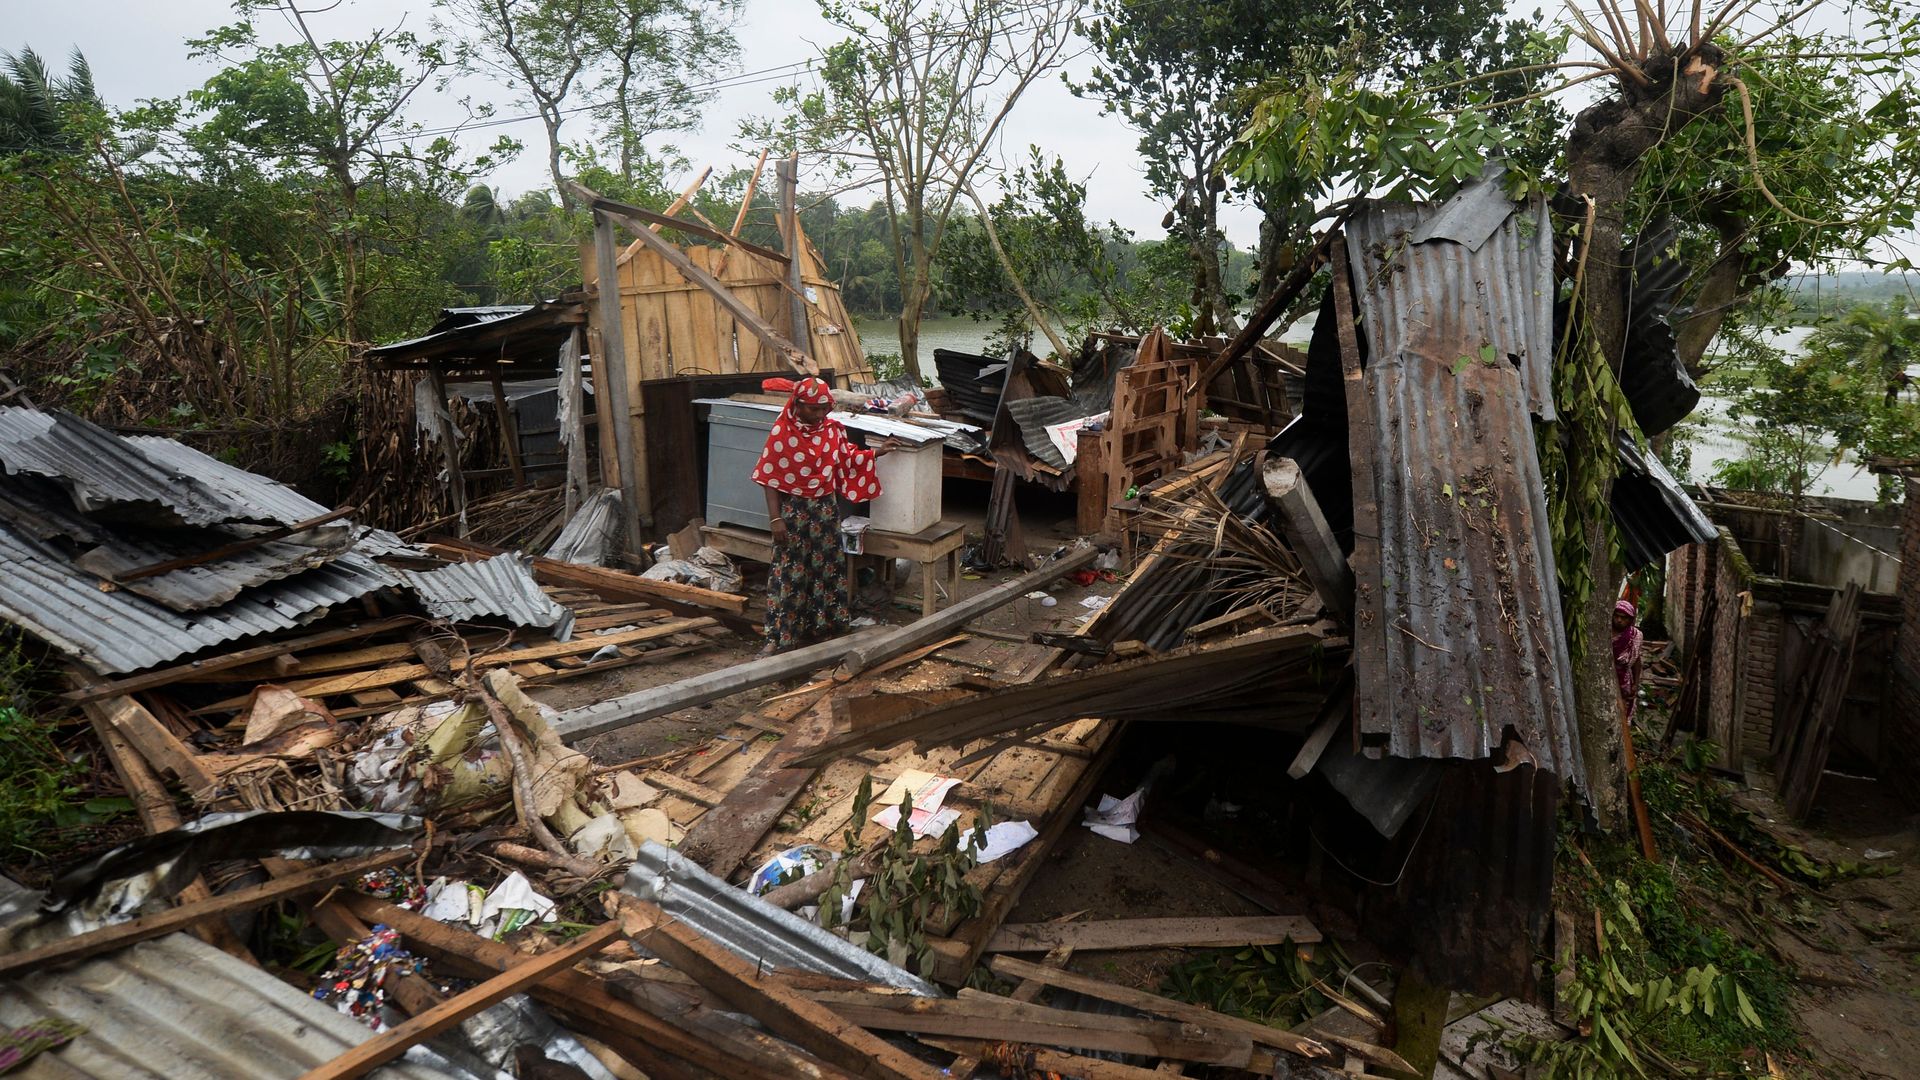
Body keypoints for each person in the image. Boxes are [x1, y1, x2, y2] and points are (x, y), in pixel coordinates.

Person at [751, 377, 897, 655]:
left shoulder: (832, 430)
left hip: (825, 511)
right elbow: (769, 477)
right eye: (813, 409)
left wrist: (877, 452)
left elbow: (845, 459)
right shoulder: (782, 432)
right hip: (792, 513)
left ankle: (821, 629)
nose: (819, 415)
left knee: (826, 572)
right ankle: (780, 637)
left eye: (824, 409)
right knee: (789, 574)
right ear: (798, 404)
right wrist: (774, 519)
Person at [1613, 598, 1644, 721]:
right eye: (1617, 616)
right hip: (1607, 674)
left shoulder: (1635, 636)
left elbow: (1636, 661)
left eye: (1624, 618)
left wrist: (1635, 684)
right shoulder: (1603, 632)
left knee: (1622, 714)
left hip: (1623, 680)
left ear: (1630, 620)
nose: (1619, 620)